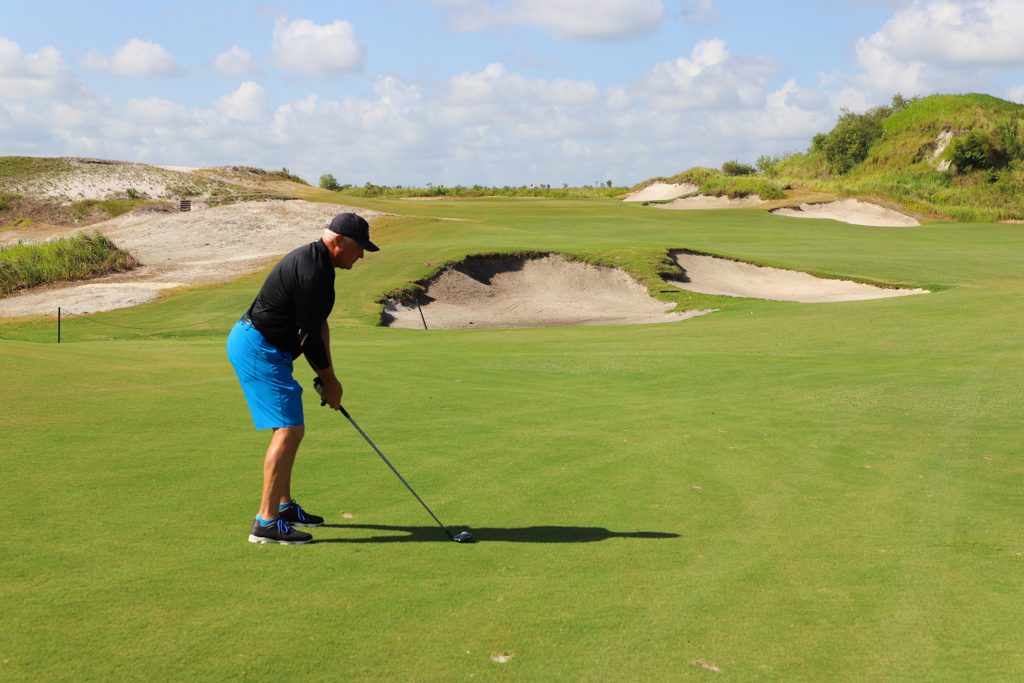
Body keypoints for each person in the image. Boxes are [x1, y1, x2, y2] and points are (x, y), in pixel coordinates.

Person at [227, 212, 379, 544]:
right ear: (338, 241)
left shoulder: (322, 266)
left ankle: (283, 509)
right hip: (258, 348)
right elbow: (308, 338)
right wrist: (330, 382)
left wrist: (332, 378)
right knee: (290, 429)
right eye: (359, 248)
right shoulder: (312, 272)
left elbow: (319, 324)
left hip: (270, 349)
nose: (362, 255)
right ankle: (265, 523)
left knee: (289, 426)